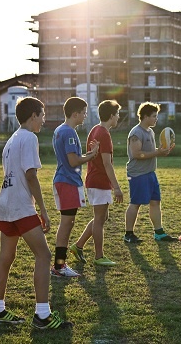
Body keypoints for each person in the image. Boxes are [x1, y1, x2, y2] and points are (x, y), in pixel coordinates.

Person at [0, 97, 72, 330]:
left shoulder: (11, 140)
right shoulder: (29, 137)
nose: (44, 121)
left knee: (6, 257)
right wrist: (43, 209)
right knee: (44, 256)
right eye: (42, 115)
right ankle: (42, 316)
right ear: (33, 115)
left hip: (5, 205)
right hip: (20, 207)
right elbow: (30, 175)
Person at [69, 100, 124, 266]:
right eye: (117, 114)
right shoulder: (104, 134)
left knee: (102, 216)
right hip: (99, 181)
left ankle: (78, 246)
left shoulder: (94, 129)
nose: (119, 117)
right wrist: (117, 187)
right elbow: (107, 164)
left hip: (93, 180)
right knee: (100, 219)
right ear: (111, 116)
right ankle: (99, 256)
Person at [51, 96, 99, 277]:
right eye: (84, 113)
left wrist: (87, 154)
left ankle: (59, 265)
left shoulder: (60, 130)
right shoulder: (69, 132)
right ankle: (59, 266)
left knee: (67, 223)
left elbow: (72, 158)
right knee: (66, 224)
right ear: (75, 113)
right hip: (68, 181)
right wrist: (91, 156)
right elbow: (73, 161)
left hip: (65, 179)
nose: (85, 116)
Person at [123, 102, 177, 243]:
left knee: (155, 202)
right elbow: (136, 154)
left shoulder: (150, 132)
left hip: (150, 173)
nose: (156, 119)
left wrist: (164, 151)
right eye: (154, 116)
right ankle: (128, 234)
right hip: (138, 174)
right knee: (135, 203)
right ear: (145, 116)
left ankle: (159, 233)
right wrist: (157, 152)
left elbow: (152, 153)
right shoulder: (136, 132)